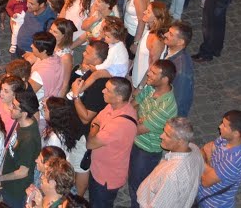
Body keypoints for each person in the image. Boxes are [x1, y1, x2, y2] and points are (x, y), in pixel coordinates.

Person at [126, 61, 179, 208]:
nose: (148, 74)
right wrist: (137, 118)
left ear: (165, 79)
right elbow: (134, 103)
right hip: (136, 141)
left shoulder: (166, 106)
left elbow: (138, 129)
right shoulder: (150, 87)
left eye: (154, 73)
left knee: (138, 185)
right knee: (132, 178)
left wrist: (135, 120)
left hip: (147, 151)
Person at [87, 77, 139, 208]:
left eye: (108, 90)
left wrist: (94, 128)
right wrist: (96, 127)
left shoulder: (119, 125)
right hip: (98, 169)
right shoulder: (113, 106)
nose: (103, 91)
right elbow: (96, 120)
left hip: (106, 178)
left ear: (119, 97)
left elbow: (90, 143)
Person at [135, 117, 203, 208]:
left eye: (167, 135)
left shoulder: (172, 175)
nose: (161, 136)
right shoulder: (194, 148)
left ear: (180, 141)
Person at [0, 87, 42, 208]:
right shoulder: (22, 121)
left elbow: (22, 172)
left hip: (15, 190)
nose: (10, 107)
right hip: (7, 181)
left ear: (24, 113)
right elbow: (11, 148)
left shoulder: (28, 139)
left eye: (14, 107)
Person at [196, 110, 241, 208]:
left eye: (224, 125)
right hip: (202, 196)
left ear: (236, 133)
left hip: (213, 204)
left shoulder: (234, 160)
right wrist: (207, 162)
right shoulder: (225, 139)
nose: (220, 126)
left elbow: (205, 182)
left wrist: (200, 159)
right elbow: (207, 148)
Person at [161, 22, 195, 117]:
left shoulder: (181, 71)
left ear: (180, 42)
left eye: (171, 34)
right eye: (168, 31)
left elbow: (180, 100)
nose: (165, 34)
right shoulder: (170, 51)